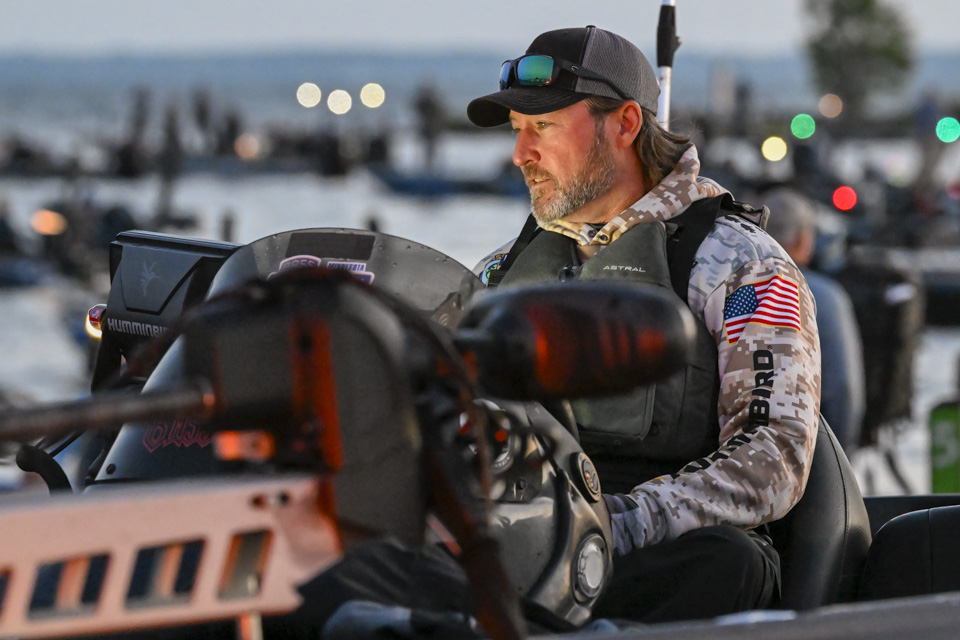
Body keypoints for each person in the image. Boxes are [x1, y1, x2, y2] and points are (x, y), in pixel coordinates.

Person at [470, 26, 821, 622]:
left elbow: (774, 457)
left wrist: (619, 521)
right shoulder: (501, 272)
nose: (520, 153)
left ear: (626, 123)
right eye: (516, 130)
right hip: (520, 540)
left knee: (725, 562)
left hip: (658, 546)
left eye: (544, 126)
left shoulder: (740, 265)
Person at [761, 187, 866, 453]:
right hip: (807, 455)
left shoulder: (729, 288)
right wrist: (842, 460)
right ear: (802, 239)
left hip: (737, 455)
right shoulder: (824, 298)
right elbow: (843, 389)